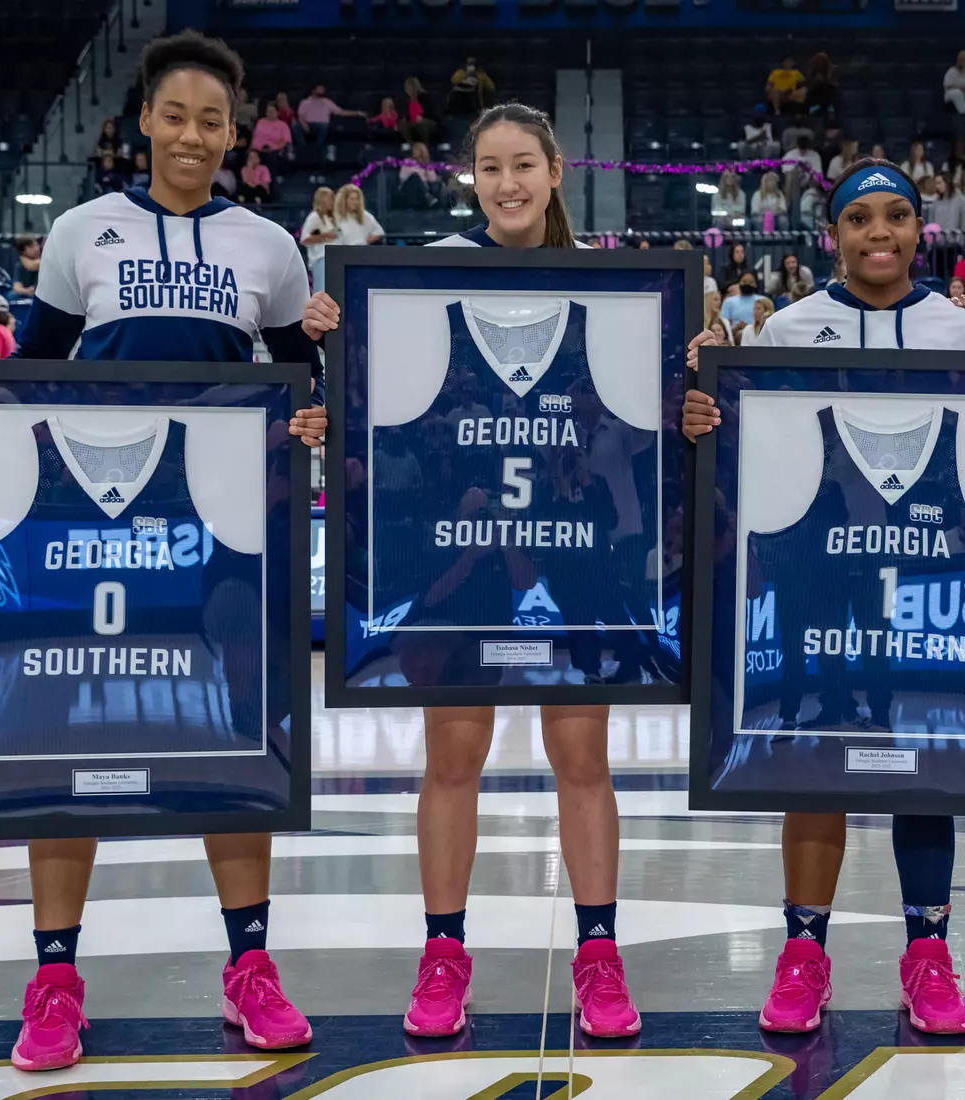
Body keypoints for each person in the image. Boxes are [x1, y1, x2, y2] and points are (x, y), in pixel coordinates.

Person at [0, 31, 325, 1071]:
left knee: (238, 738)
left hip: (221, 522)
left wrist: (315, 425)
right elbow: (23, 379)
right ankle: (54, 974)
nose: (194, 135)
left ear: (234, 135)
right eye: (177, 114)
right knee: (55, 738)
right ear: (143, 123)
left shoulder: (268, 246)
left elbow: (307, 388)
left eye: (213, 120)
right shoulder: (84, 230)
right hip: (91, 515)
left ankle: (249, 966)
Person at [681, 157, 965, 1038]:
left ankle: (929, 953)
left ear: (920, 229)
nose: (880, 233)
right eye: (861, 218)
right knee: (810, 758)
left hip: (921, 578)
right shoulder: (788, 326)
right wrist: (703, 419)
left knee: (925, 768)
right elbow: (743, 454)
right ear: (833, 234)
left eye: (896, 217)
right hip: (812, 579)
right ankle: (803, 952)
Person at [295, 100, 644, 1042]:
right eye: (490, 167)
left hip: (571, 549)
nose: (508, 183)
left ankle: (598, 955)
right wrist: (330, 330)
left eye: (523, 164)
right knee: (453, 758)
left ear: (556, 169)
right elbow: (371, 390)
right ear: (472, 179)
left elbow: (643, 419)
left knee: (583, 758)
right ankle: (444, 953)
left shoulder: (610, 294)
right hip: (460, 546)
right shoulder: (425, 280)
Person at [296, 84, 364, 154]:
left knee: (324, 126)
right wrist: (304, 124)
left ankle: (318, 148)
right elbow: (300, 115)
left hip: (322, 125)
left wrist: (358, 113)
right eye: (320, 89)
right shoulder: (305, 102)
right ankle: (303, 147)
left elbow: (341, 112)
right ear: (313, 90)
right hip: (308, 124)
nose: (323, 91)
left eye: (323, 89)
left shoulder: (327, 102)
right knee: (296, 126)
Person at [300, 186, 338, 288]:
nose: (332, 201)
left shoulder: (331, 218)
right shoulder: (314, 217)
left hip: (335, 258)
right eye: (330, 198)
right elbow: (304, 239)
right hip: (321, 258)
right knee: (322, 290)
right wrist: (325, 236)